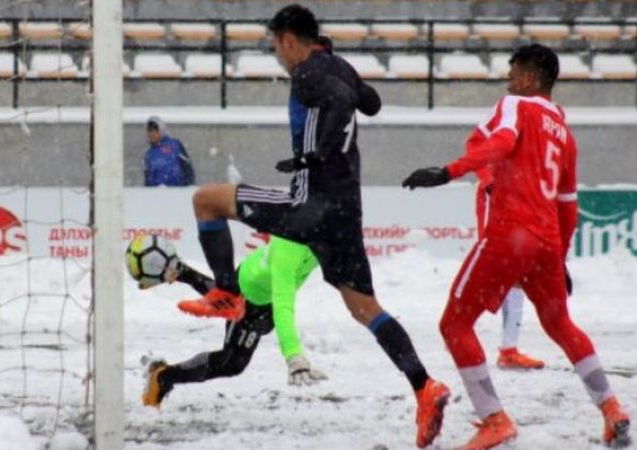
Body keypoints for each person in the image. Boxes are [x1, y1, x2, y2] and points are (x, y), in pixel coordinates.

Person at [177, 5, 449, 448]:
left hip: (309, 202)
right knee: (365, 308)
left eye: (276, 47)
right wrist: (348, 95)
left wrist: (314, 156)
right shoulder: (339, 65)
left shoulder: (306, 72)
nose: (278, 57)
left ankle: (226, 291)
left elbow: (342, 103)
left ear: (289, 39)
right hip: (346, 210)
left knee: (205, 201)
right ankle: (424, 386)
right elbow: (371, 103)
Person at [402, 44, 631, 449]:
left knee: (454, 324)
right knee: (561, 324)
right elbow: (568, 205)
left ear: (527, 79)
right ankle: (612, 409)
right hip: (545, 239)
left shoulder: (515, 105)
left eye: (512, 74)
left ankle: (495, 419)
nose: (507, 82)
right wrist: (558, 261)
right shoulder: (565, 133)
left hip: (511, 232)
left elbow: (501, 142)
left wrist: (448, 171)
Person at [142, 236, 327, 408]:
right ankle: (163, 377)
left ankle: (186, 273)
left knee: (257, 322)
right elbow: (283, 309)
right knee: (231, 363)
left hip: (260, 282)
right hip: (253, 295)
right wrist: (294, 356)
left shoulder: (323, 236)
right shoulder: (290, 250)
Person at [471, 142, 545, 371]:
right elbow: (477, 153)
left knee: (514, 275)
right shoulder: (508, 126)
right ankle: (459, 329)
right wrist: (490, 182)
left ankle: (507, 349)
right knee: (494, 272)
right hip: (497, 203)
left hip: (515, 205)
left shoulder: (534, 135)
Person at [143, 116, 195, 187]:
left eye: (155, 130)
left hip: (178, 191)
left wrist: (189, 186)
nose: (152, 134)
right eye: (150, 131)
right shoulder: (148, 155)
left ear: (161, 130)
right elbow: (148, 180)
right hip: (157, 194)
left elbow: (187, 167)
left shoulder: (175, 145)